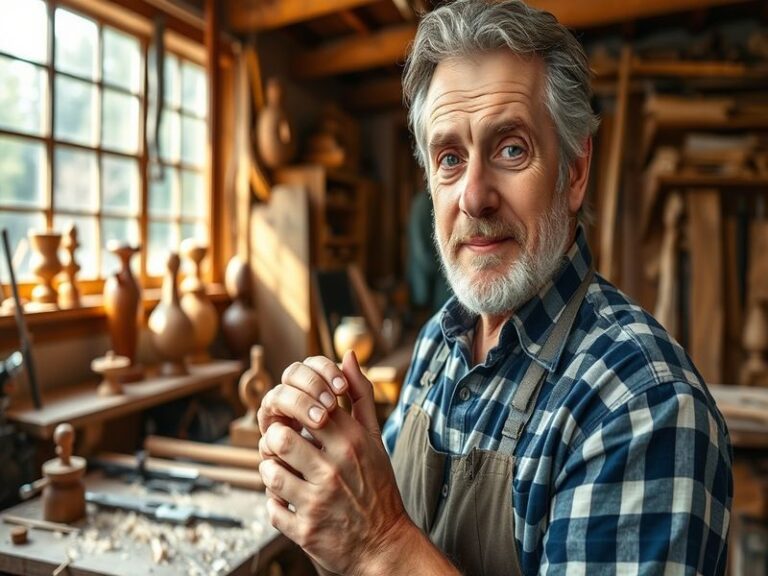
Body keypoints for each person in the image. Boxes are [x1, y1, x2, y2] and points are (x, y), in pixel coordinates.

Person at [256, 1, 733, 574]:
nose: (474, 196)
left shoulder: (644, 405)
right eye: (450, 158)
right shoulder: (439, 342)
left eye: (511, 149)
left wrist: (379, 541)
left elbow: (380, 543)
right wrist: (327, 495)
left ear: (574, 171)